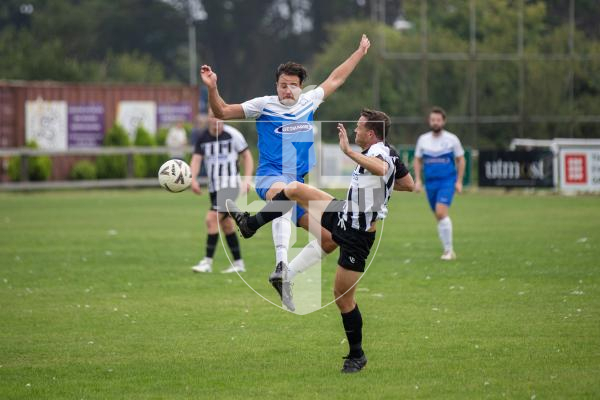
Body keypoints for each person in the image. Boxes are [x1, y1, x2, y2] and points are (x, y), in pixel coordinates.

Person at [226, 109, 415, 373]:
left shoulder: (380, 154)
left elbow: (383, 169)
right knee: (292, 189)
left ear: (371, 133)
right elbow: (410, 184)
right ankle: (249, 226)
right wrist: (388, 184)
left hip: (357, 235)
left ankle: (357, 355)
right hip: (343, 211)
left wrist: (350, 153)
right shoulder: (388, 152)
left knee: (342, 298)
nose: (355, 131)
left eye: (359, 127)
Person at [199, 34, 371, 295]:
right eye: (282, 85)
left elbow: (336, 78)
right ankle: (280, 262)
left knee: (331, 239)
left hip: (299, 183)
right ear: (276, 85)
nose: (287, 90)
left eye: (292, 85)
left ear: (301, 87)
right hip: (271, 177)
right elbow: (221, 111)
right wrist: (212, 88)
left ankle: (285, 274)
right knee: (285, 195)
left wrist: (359, 52)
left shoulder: (309, 101)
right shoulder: (263, 105)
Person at [189, 109, 254, 273]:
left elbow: (247, 156)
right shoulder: (203, 138)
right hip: (214, 189)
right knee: (227, 225)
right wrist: (193, 179)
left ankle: (207, 262)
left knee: (211, 219)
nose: (217, 121)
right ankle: (239, 264)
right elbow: (196, 159)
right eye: (213, 117)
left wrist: (247, 179)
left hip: (231, 186)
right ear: (208, 119)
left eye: (220, 117)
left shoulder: (233, 135)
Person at [413, 107, 465, 260]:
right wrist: (418, 179)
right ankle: (447, 250)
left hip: (447, 181)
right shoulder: (423, 139)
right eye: (433, 120)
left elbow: (461, 159)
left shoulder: (452, 139)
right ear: (429, 121)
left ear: (443, 121)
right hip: (430, 183)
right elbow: (417, 159)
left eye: (438, 120)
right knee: (439, 216)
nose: (435, 123)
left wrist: (459, 181)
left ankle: (449, 251)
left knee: (441, 212)